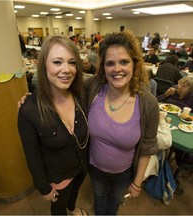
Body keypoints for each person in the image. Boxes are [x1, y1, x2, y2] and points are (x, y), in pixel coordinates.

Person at [84, 30, 159, 215]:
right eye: (110, 63)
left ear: (135, 63)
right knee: (99, 197)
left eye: (124, 62)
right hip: (94, 167)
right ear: (103, 68)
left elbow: (148, 147)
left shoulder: (148, 103)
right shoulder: (93, 87)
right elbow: (64, 89)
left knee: (114, 202)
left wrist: (137, 182)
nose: (116, 69)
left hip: (123, 173)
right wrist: (34, 99)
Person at [17, 35, 89, 215]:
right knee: (58, 207)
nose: (66, 70)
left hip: (82, 168)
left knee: (73, 195)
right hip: (58, 177)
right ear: (44, 66)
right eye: (57, 62)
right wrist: (43, 188)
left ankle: (72, 208)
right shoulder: (29, 110)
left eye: (72, 62)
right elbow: (31, 156)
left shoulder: (80, 96)